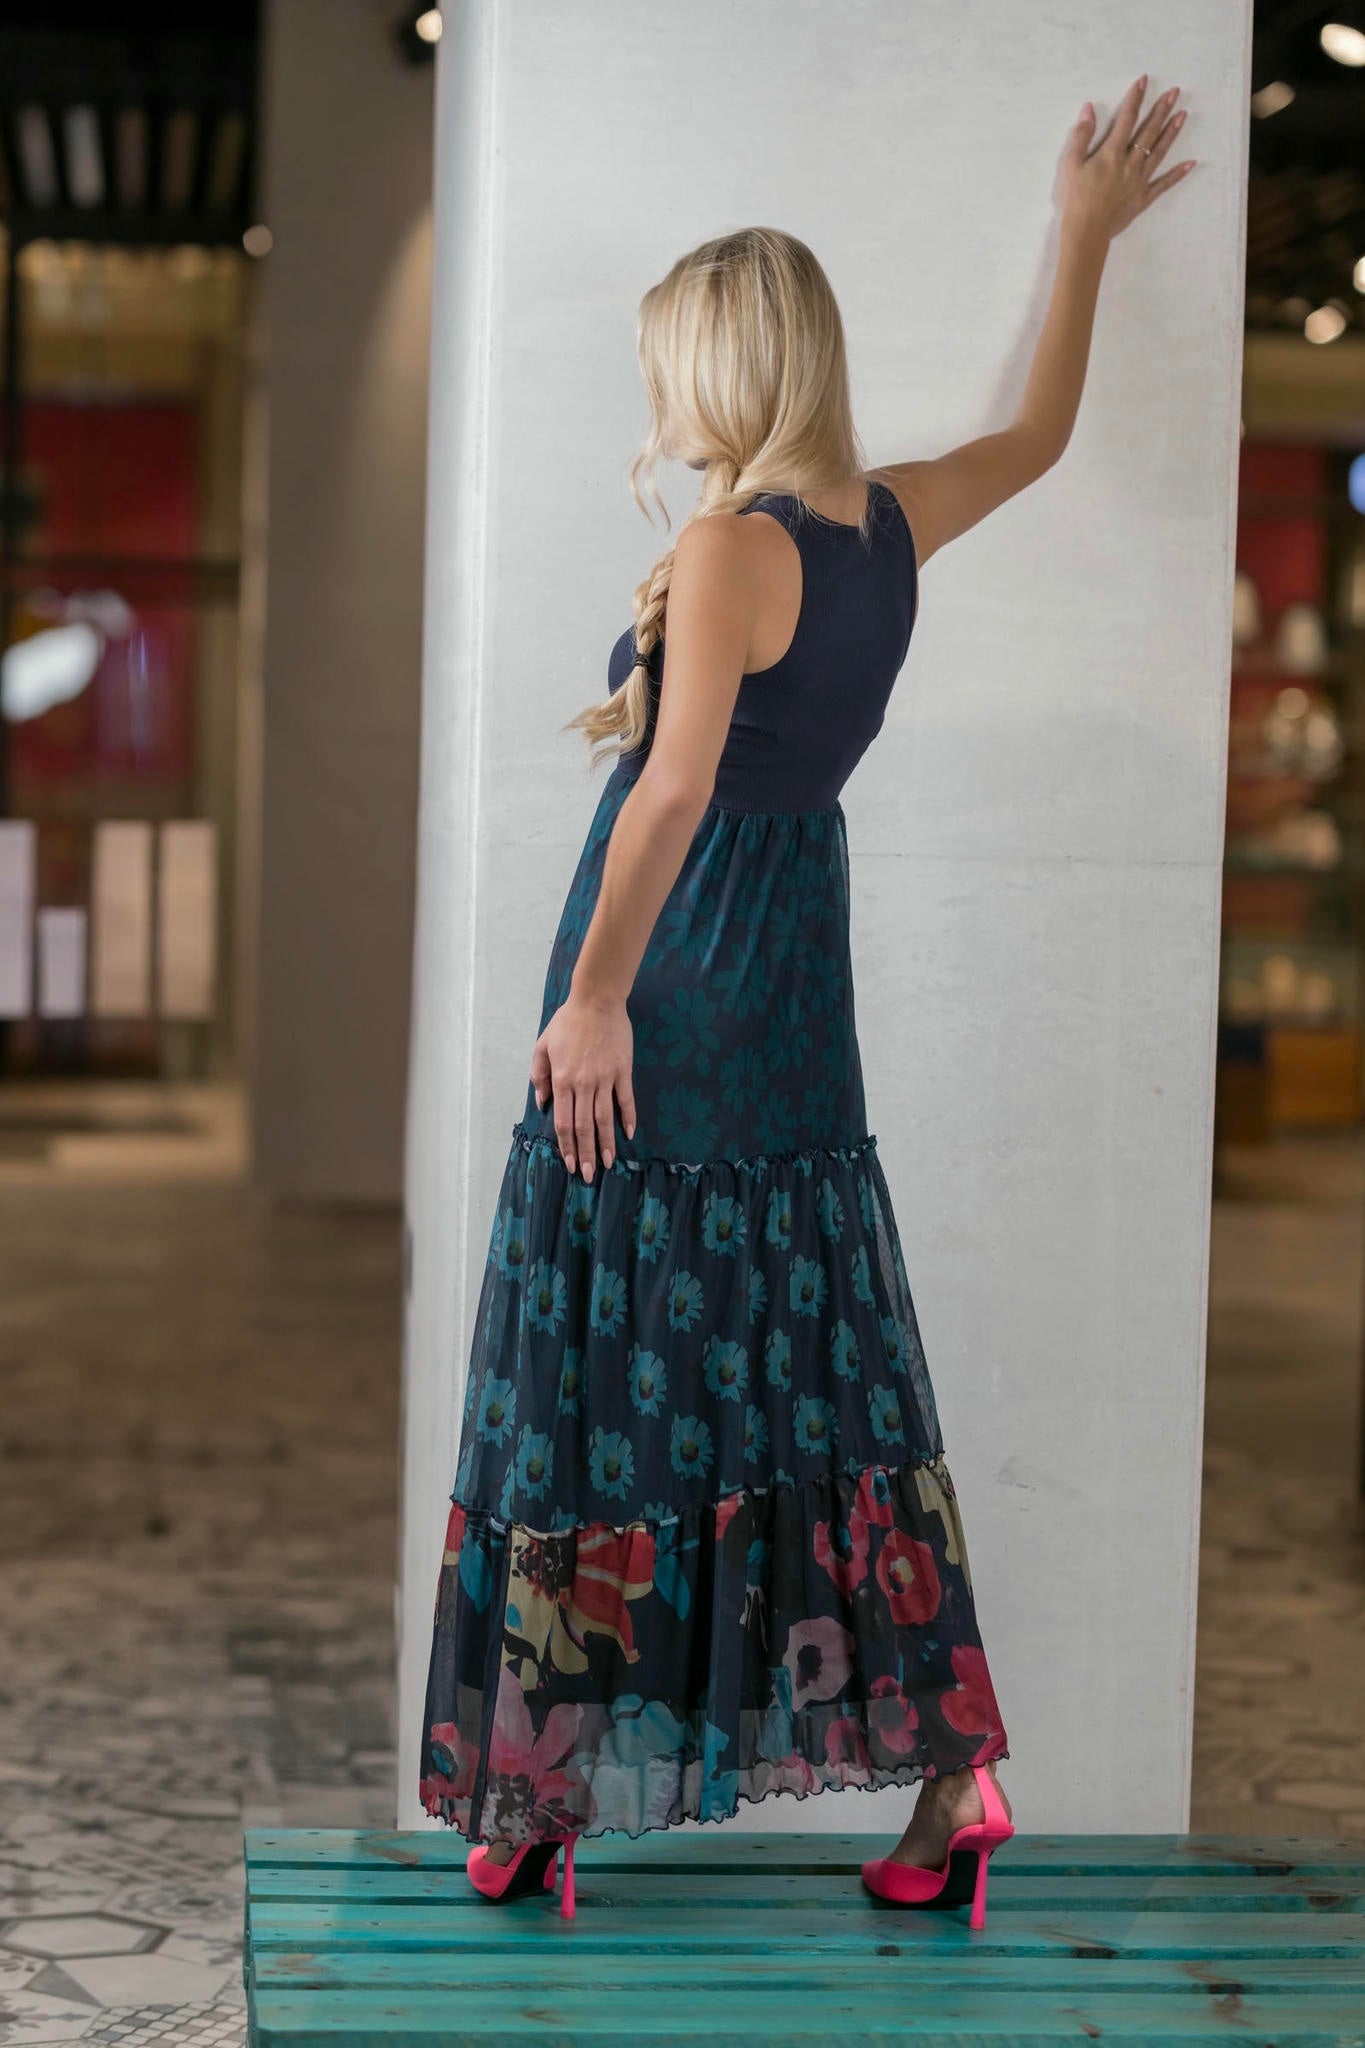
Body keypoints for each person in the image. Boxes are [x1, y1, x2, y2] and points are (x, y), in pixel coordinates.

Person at [419, 76, 1194, 1926]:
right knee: (805, 1369)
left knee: (604, 1366)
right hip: (792, 986)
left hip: (675, 971)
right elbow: (1043, 430)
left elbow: (674, 786)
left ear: (725, 368)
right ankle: (948, 1788)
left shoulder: (725, 545)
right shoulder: (887, 529)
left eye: (670, 361)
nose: (659, 399)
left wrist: (595, 1000)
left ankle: (543, 1794)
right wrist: (1081, 241)